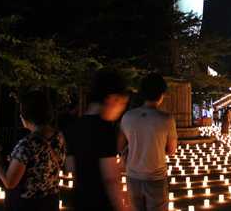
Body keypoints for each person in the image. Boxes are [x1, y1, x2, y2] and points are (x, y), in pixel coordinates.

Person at [0, 91, 66, 211]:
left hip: (27, 204)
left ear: (29, 115)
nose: (20, 116)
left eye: (21, 112)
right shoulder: (59, 137)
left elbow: (10, 182)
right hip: (50, 202)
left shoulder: (27, 145)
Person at [65, 71, 129, 211]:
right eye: (122, 104)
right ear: (112, 99)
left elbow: (70, 166)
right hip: (101, 202)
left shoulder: (75, 126)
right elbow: (110, 178)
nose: (120, 111)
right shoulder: (104, 129)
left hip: (79, 200)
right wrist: (121, 207)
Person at [119, 73, 178, 211]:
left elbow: (120, 146)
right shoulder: (166, 119)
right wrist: (155, 149)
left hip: (133, 176)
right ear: (162, 94)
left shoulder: (128, 117)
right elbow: (172, 150)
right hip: (156, 177)